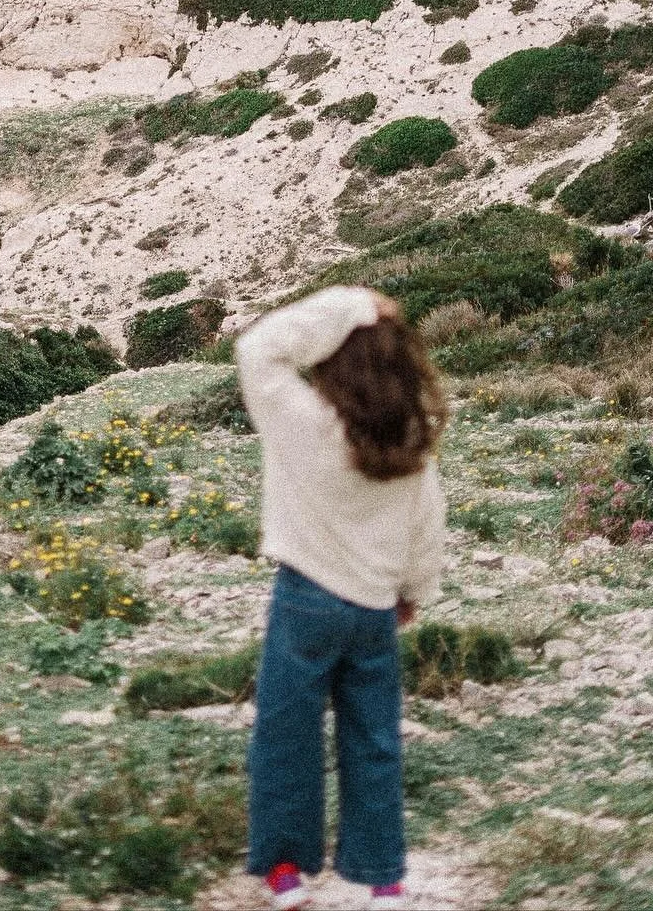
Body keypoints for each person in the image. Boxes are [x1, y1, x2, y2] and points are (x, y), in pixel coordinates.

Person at [236, 285, 447, 908]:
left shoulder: (302, 422)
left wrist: (352, 303)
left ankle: (286, 873)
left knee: (287, 736)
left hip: (305, 598)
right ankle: (383, 879)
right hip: (375, 606)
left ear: (332, 359)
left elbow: (258, 348)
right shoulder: (406, 442)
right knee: (374, 741)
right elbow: (427, 527)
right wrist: (413, 592)